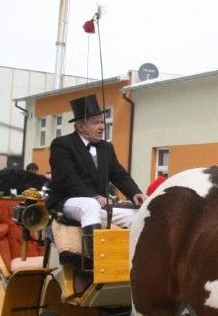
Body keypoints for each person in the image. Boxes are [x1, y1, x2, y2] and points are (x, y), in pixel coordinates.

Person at [46, 95, 145, 253]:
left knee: (139, 214)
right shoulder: (62, 145)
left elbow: (119, 174)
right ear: (81, 127)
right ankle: (96, 258)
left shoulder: (106, 148)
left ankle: (134, 258)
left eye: (102, 122)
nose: (102, 127)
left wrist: (135, 193)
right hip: (68, 201)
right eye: (96, 123)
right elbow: (67, 180)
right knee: (90, 205)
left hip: (100, 206)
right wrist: (95, 197)